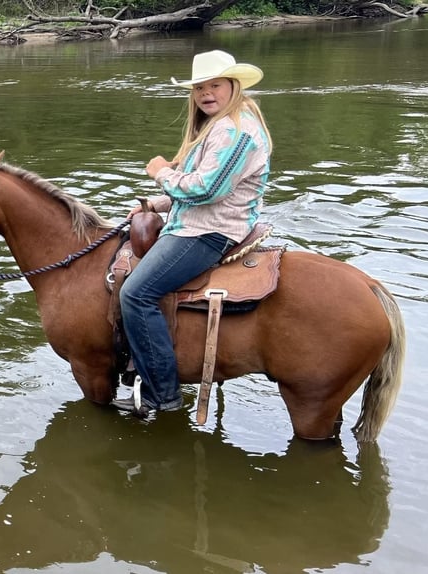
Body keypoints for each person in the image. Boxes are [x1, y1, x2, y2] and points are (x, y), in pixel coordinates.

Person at [112, 49, 273, 415]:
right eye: (200, 87)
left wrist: (159, 173)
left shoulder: (235, 130)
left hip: (210, 232)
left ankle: (162, 395)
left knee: (136, 294)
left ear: (233, 85)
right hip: (200, 220)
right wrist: (155, 204)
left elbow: (206, 190)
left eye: (214, 85)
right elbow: (201, 191)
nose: (206, 93)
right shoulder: (219, 126)